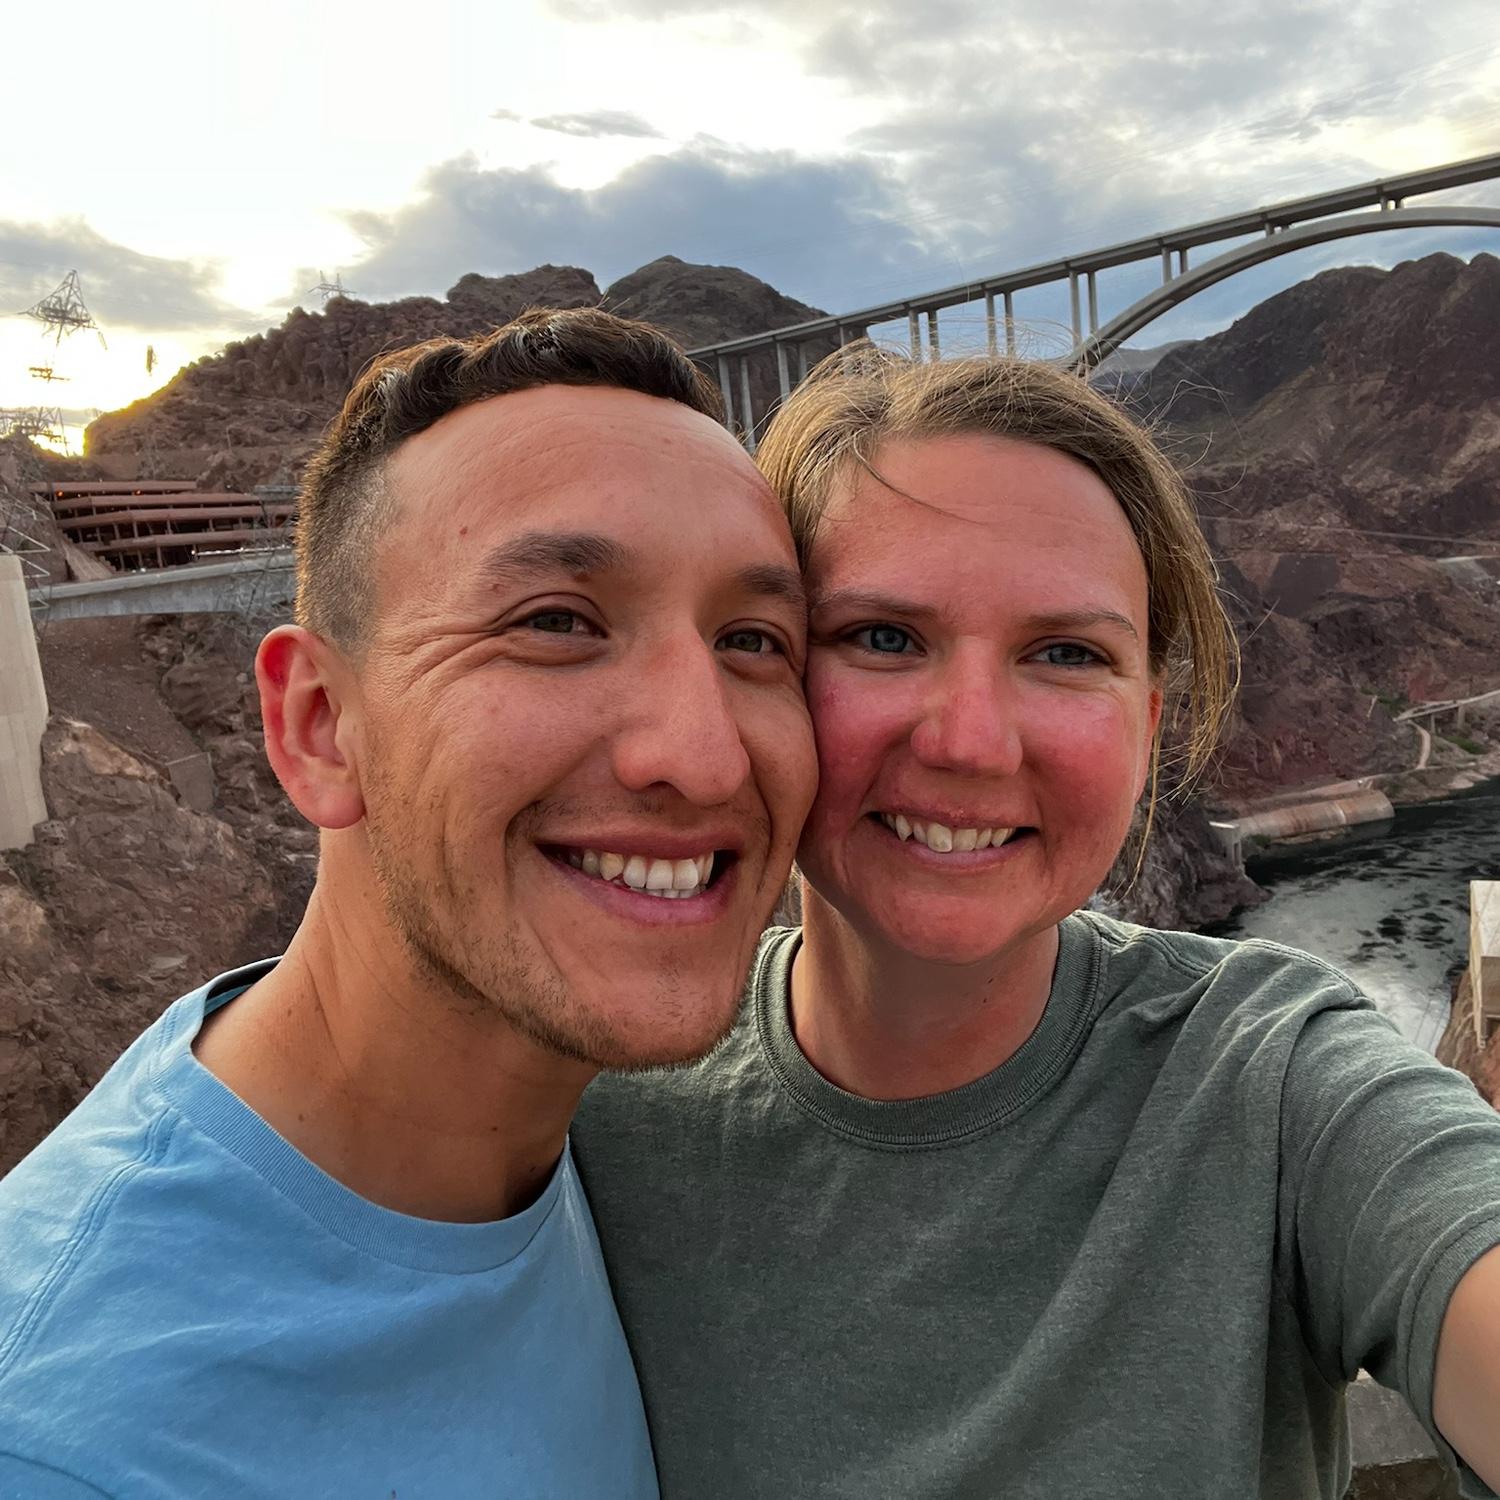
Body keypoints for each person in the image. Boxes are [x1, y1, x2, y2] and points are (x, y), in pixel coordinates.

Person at [573, 344, 1500, 1499]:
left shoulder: (1273, 1084)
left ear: (1145, 727)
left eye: (1066, 653)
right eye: (882, 637)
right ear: (758, 675)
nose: (970, 741)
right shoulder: (590, 1108)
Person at [0, 308, 816, 1497]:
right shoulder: (66, 1444)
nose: (703, 756)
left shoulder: (618, 1156)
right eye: (556, 623)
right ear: (318, 727)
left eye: (753, 639)